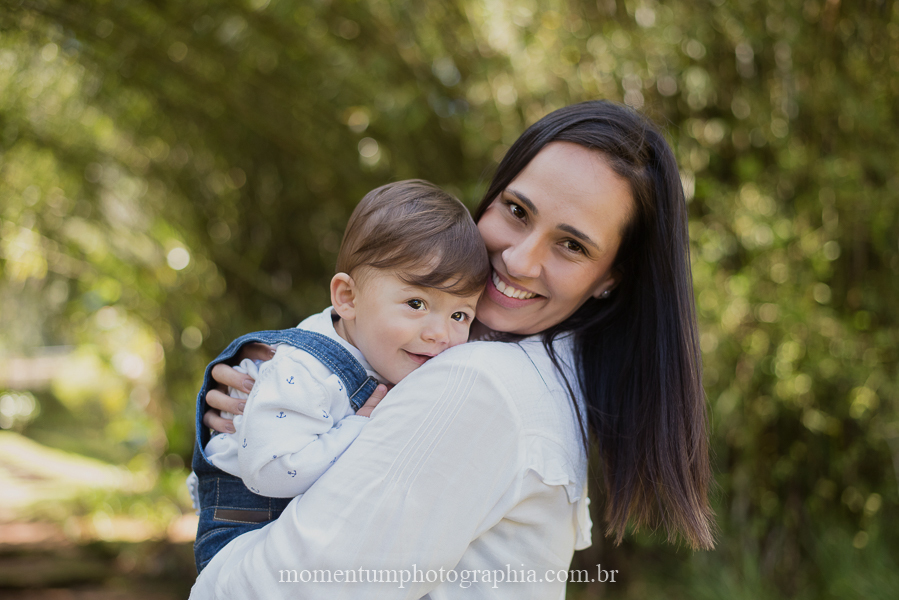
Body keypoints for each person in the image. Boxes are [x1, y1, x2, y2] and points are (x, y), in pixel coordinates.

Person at [191, 100, 714, 599]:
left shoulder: (480, 383)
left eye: (572, 245)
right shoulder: (535, 372)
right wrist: (290, 385)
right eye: (516, 210)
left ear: (610, 279)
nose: (519, 259)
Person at [190, 180, 488, 572]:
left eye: (459, 315)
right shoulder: (304, 370)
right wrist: (361, 428)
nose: (441, 333)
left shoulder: (385, 353)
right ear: (347, 298)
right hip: (244, 538)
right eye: (416, 303)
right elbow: (271, 473)